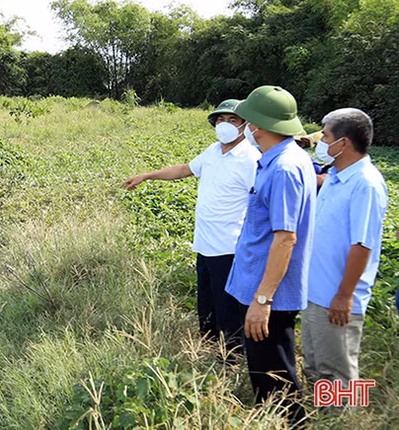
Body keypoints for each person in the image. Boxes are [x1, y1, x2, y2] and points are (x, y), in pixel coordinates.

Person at [122, 99, 260, 355]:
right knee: (206, 302)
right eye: (220, 120)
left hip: (229, 247)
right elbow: (186, 169)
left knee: (227, 308)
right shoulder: (213, 151)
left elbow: (260, 202)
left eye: (232, 120)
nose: (225, 125)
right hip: (205, 244)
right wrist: (146, 176)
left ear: (245, 125)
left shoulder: (251, 159)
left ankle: (230, 358)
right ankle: (205, 349)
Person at [224, 85, 315, 426]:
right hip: (261, 287)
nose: (243, 127)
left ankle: (292, 423)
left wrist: (263, 299)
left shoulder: (284, 169)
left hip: (269, 293)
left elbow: (285, 239)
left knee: (275, 378)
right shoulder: (282, 159)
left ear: (257, 125)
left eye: (245, 120)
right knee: (267, 372)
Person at [301, 108, 388, 396]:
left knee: (339, 373)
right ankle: (325, 416)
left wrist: (344, 295)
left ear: (344, 143)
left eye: (325, 135)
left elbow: (362, 245)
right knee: (315, 365)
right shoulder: (337, 177)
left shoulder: (366, 184)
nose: (321, 142)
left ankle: (345, 419)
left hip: (336, 296)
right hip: (316, 291)